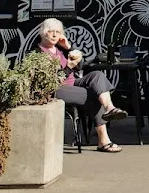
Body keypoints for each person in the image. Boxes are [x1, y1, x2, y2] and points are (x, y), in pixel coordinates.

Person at [37, 18, 129, 153]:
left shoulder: (60, 50)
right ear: (43, 33)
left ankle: (109, 108)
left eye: (58, 32)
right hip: (56, 89)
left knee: (97, 75)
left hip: (72, 82)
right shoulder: (37, 53)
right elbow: (48, 81)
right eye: (51, 31)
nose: (55, 35)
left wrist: (69, 47)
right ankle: (104, 141)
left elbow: (79, 66)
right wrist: (68, 67)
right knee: (93, 95)